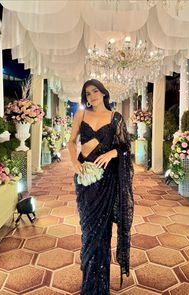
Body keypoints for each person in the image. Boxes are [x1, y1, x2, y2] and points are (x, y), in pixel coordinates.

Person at [68, 79, 134, 294]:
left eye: (95, 91)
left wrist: (112, 152)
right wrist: (74, 162)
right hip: (85, 180)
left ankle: (100, 286)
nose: (91, 96)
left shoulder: (115, 118)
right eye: (87, 93)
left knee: (102, 233)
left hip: (107, 181)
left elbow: (125, 147)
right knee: (88, 230)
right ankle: (89, 282)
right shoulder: (81, 115)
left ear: (104, 93)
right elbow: (71, 141)